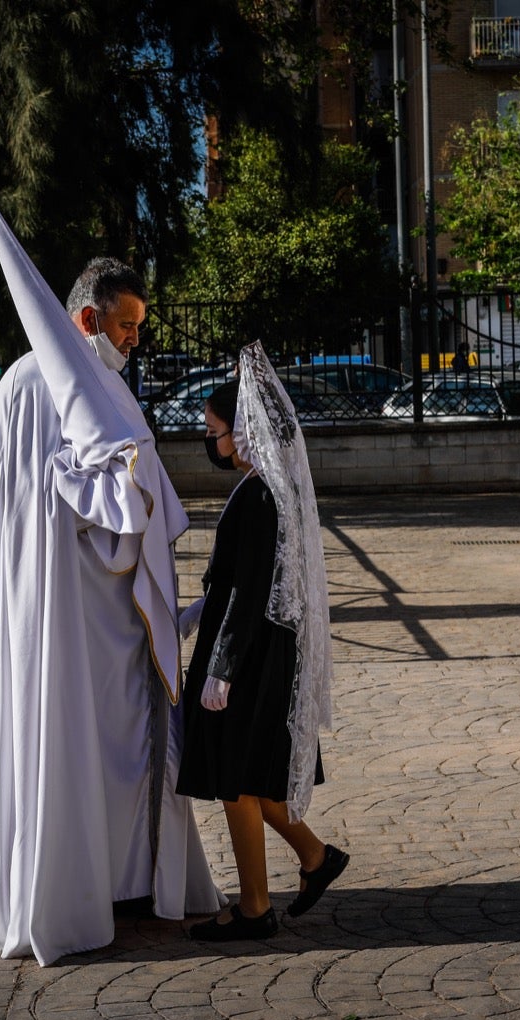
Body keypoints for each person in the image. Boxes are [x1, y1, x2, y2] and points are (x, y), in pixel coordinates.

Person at [0, 163, 224, 966]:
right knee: (68, 746)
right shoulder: (34, 384)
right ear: (84, 316)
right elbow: (56, 503)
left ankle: (128, 878)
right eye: (126, 326)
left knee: (120, 754)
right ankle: (79, 892)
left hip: (112, 620)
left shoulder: (97, 383)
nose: (135, 340)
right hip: (64, 615)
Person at [177, 343, 349, 941]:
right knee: (250, 779)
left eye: (216, 430)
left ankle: (255, 907)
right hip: (256, 649)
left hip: (246, 656)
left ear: (242, 431)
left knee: (236, 781)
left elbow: (252, 590)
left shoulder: (259, 495)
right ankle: (315, 860)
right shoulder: (266, 488)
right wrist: (198, 611)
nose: (212, 441)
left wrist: (221, 667)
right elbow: (247, 581)